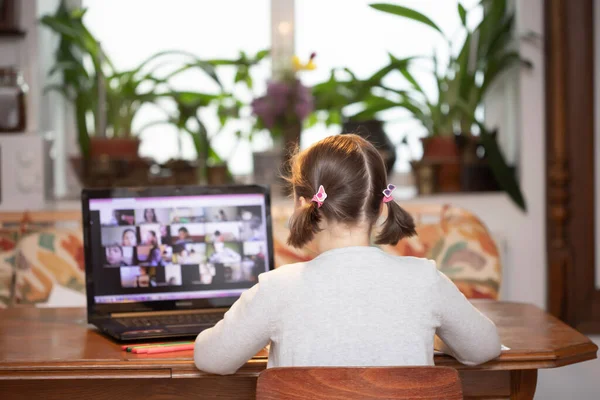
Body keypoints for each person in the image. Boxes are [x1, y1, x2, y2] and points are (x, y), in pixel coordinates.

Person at [194, 134, 501, 375]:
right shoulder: (425, 279)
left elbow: (212, 359)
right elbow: (484, 347)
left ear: (304, 204)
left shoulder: (276, 288)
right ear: (382, 207)